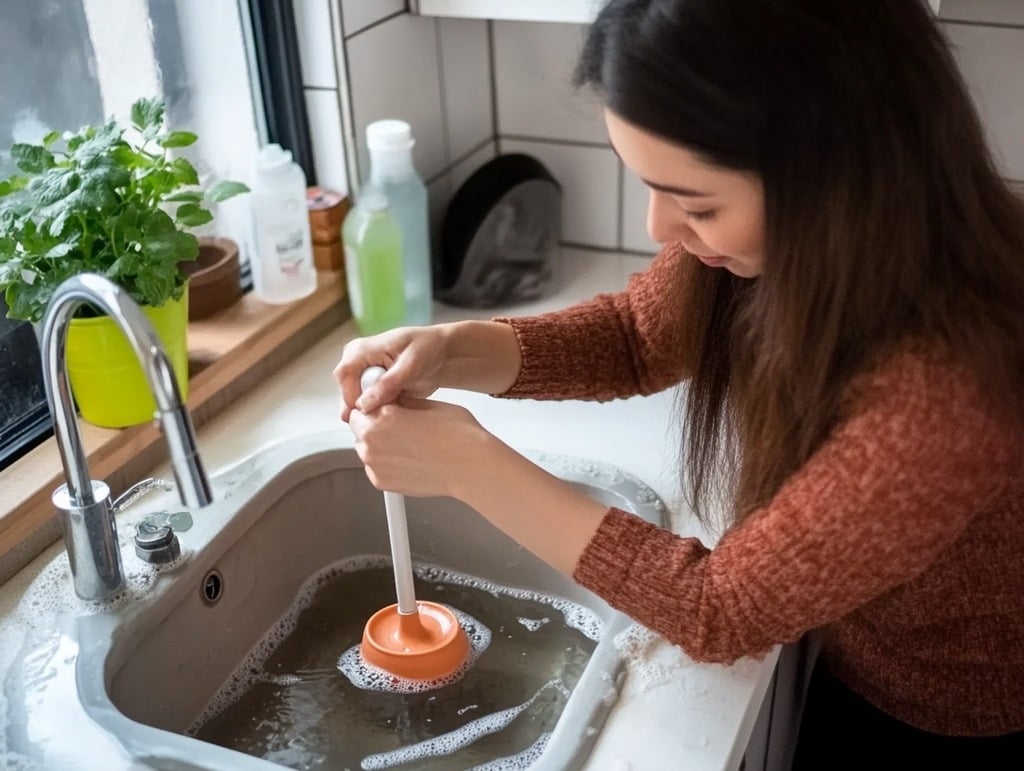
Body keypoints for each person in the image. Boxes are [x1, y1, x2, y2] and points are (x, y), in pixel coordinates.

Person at [334, 0, 1024, 767]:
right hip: (860, 650)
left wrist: (469, 465)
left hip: (953, 719)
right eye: (650, 186)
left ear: (835, 180)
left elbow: (717, 608)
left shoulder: (946, 396)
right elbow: (638, 337)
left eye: (696, 203)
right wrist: (452, 348)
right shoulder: (799, 253)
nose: (661, 228)